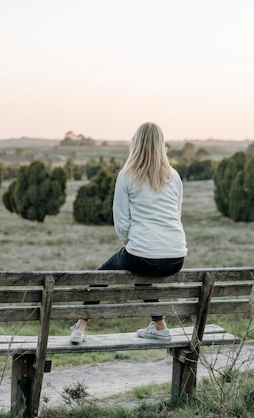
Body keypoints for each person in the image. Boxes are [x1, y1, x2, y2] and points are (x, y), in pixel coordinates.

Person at [70, 122, 187, 344]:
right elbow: (176, 216)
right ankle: (160, 327)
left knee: (103, 273)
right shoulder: (175, 176)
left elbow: (121, 223)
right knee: (141, 269)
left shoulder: (127, 175)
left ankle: (79, 326)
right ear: (162, 146)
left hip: (142, 255)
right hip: (177, 257)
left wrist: (134, 244)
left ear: (136, 143)